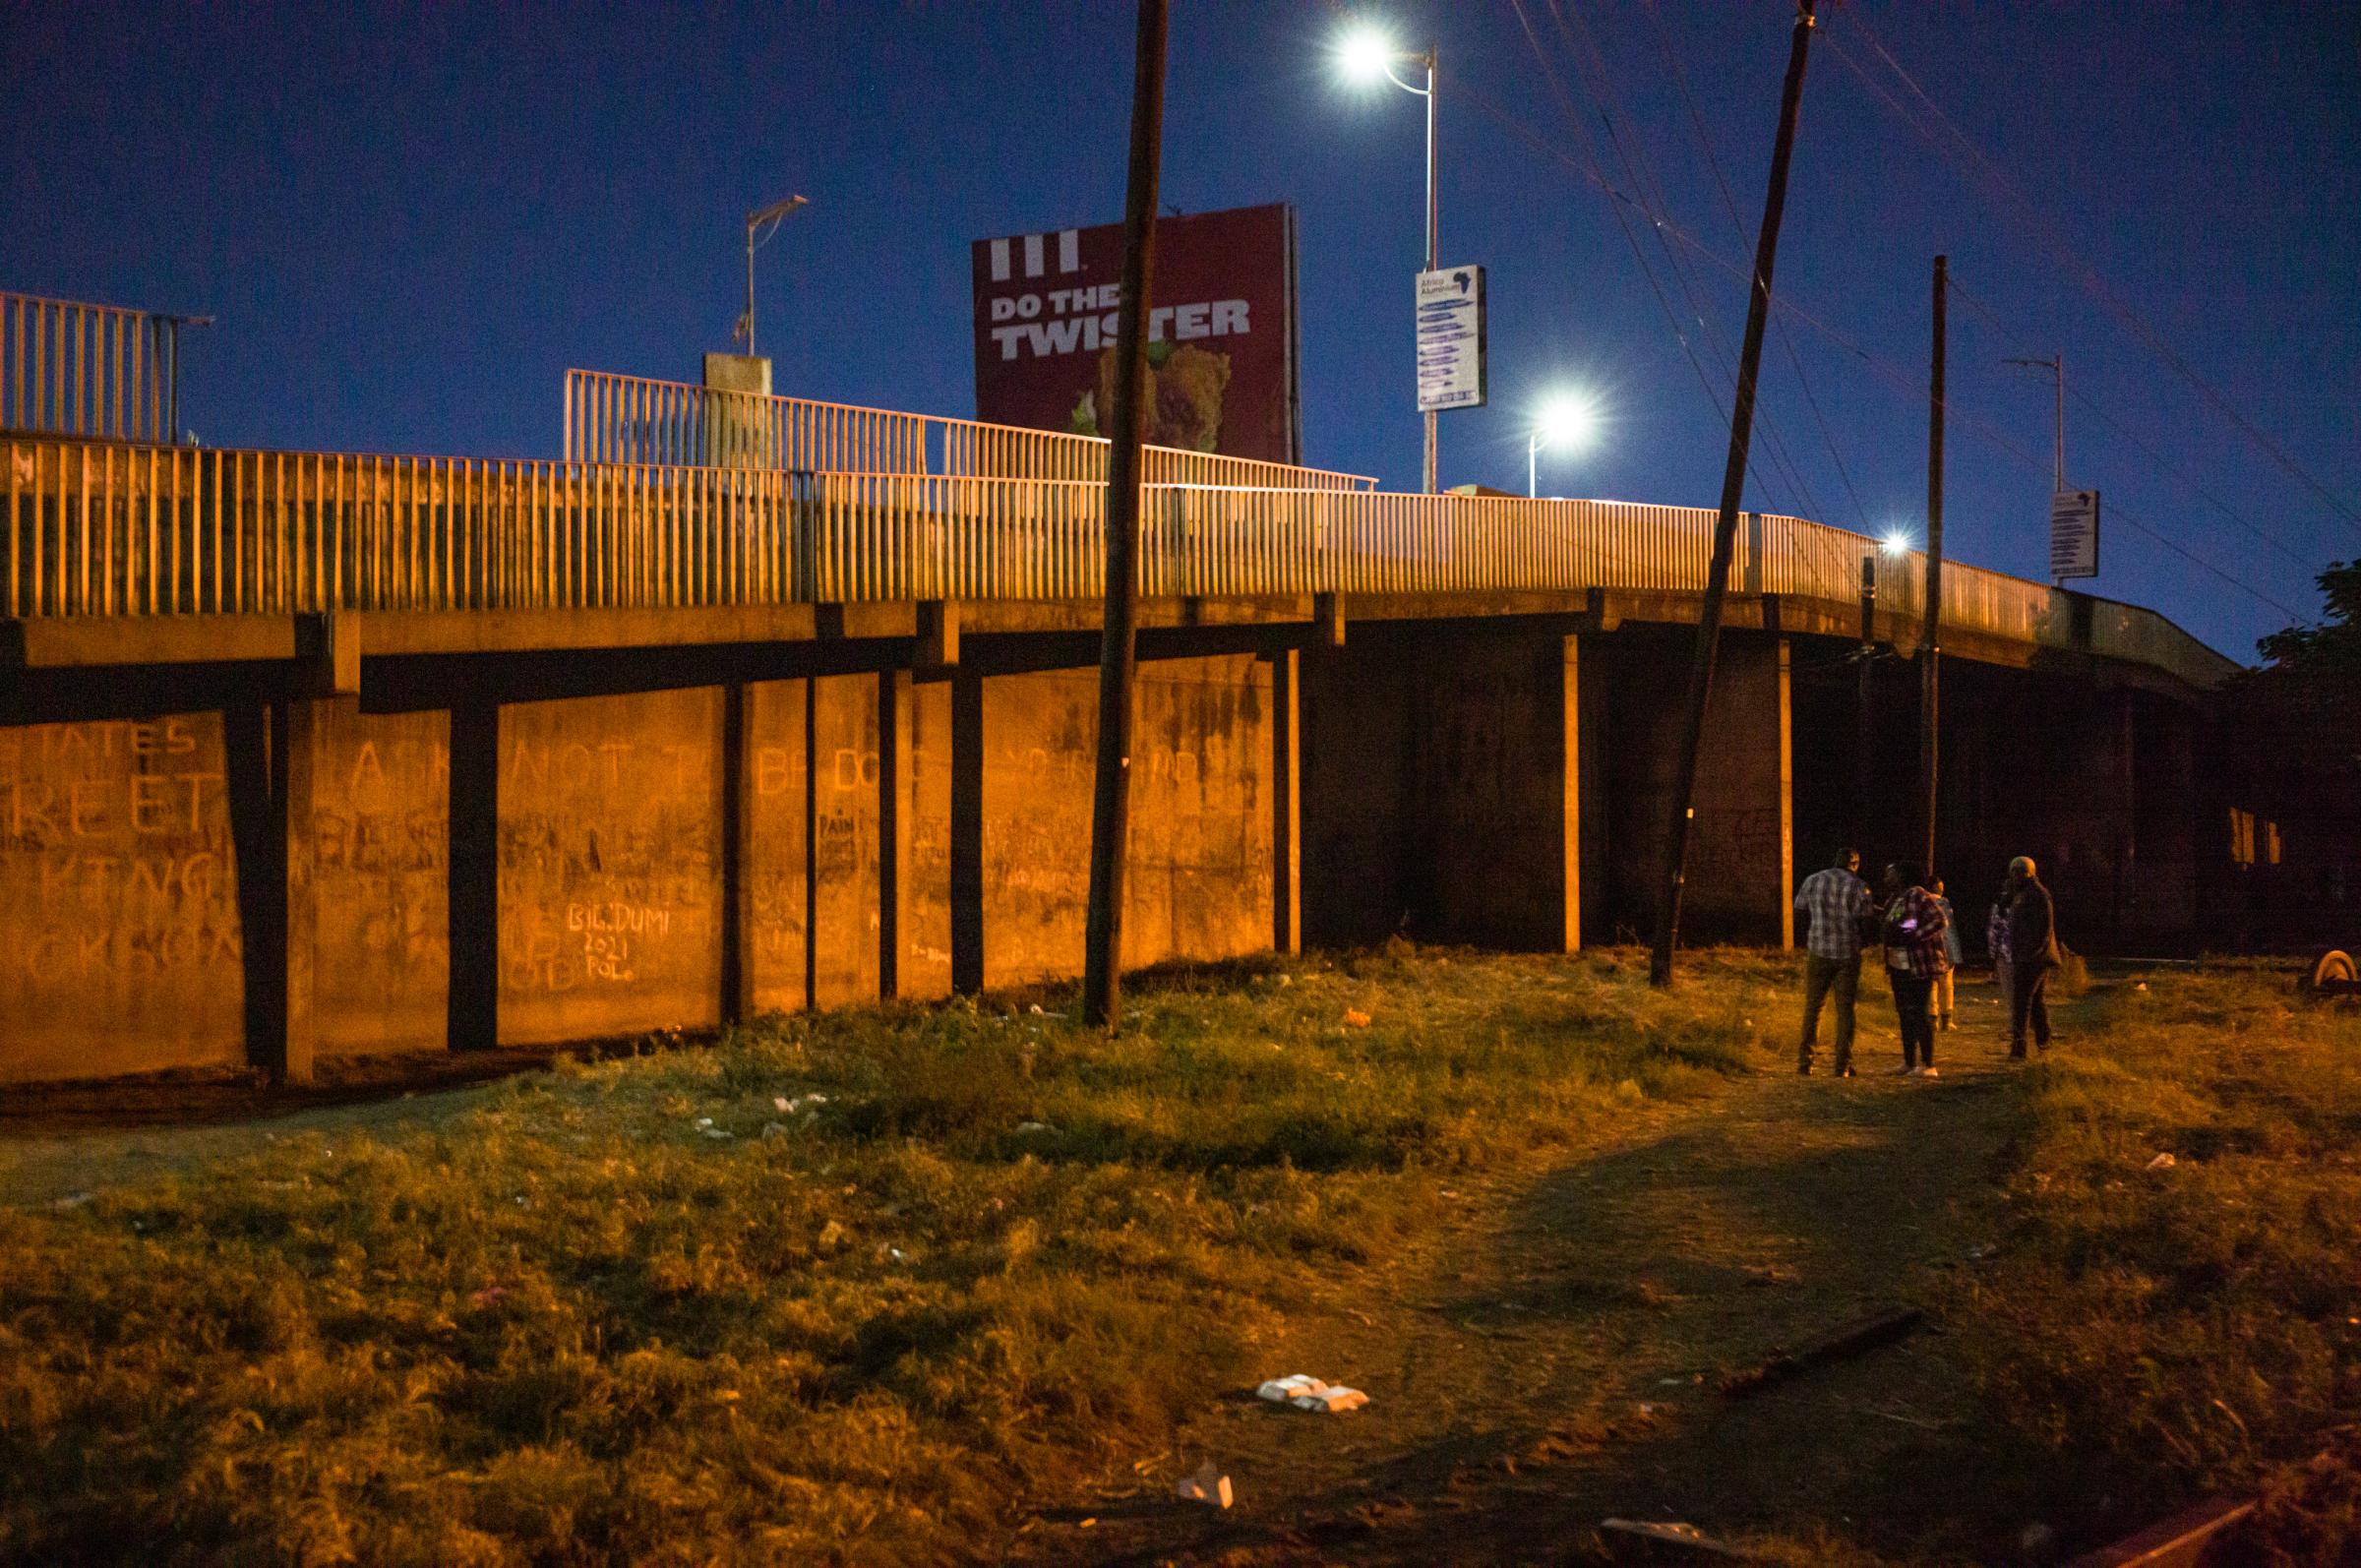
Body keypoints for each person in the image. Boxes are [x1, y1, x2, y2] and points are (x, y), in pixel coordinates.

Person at [1793, 848, 1874, 1076]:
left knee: (1813, 1007)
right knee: (1845, 1010)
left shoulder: (1813, 880)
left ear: (1835, 861)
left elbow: (1799, 911)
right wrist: (1864, 942)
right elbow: (1866, 920)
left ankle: (1805, 1062)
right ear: (1855, 863)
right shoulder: (1859, 885)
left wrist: (1809, 936)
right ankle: (1842, 1065)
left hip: (1818, 950)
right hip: (1847, 952)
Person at [1878, 862, 1951, 1078]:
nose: (1886, 878)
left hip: (1917, 962)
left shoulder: (1917, 894)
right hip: (1899, 962)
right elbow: (1901, 922)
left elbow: (1939, 920)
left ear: (1901, 875)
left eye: (1890, 874)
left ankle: (1928, 1064)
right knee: (1905, 1012)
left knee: (1919, 1012)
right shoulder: (1896, 898)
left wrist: (1914, 935)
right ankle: (1909, 1062)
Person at [2003, 855, 2061, 1057]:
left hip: (2033, 957)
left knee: (2022, 1000)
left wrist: (2032, 953)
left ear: (2024, 872)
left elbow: (2045, 928)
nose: (2012, 876)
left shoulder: (2037, 894)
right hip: (2030, 955)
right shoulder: (2024, 893)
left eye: (2015, 872)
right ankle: (2044, 1040)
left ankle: (2019, 1046)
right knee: (2035, 1000)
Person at [1927, 876, 1961, 1031]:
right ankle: (1947, 1019)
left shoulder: (1921, 902)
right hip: (1944, 949)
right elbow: (1950, 931)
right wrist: (1954, 953)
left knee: (1931, 985)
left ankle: (1932, 1018)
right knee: (1947, 984)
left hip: (1927, 949)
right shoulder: (1943, 903)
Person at [1987, 889, 2014, 1034]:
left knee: (2010, 992)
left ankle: (2015, 1024)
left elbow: (1993, 932)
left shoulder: (2000, 907)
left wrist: (1993, 955)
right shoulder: (2027, 901)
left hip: (2006, 953)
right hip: (2026, 953)